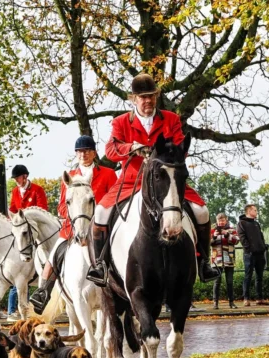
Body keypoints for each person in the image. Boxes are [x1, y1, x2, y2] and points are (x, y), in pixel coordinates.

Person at [92, 73, 218, 287]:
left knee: (202, 211)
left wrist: (163, 155)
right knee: (100, 213)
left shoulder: (170, 119)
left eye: (151, 96)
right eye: (142, 97)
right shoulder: (121, 122)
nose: (147, 101)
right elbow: (111, 150)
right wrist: (130, 148)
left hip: (166, 182)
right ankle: (100, 264)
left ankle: (204, 261)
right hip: (133, 182)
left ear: (156, 97)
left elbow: (180, 147)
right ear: (134, 99)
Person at [28, 135, 117, 313]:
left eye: (86, 151)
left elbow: (113, 200)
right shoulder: (69, 176)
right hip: (73, 227)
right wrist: (74, 216)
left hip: (100, 226)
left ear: (94, 153)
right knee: (54, 254)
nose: (83, 154)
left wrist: (95, 212)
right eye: (79, 151)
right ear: (76, 154)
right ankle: (43, 292)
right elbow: (62, 206)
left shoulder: (108, 174)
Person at [236, 204, 269, 307]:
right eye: (255, 210)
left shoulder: (256, 223)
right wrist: (249, 249)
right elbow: (242, 238)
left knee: (259, 277)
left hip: (260, 253)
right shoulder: (241, 223)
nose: (256, 212)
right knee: (248, 276)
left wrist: (263, 246)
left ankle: (259, 298)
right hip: (250, 254)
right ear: (249, 211)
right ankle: (246, 298)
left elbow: (261, 236)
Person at [210, 213, 238, 309]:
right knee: (217, 282)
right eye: (219, 221)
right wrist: (213, 236)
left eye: (223, 220)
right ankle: (215, 303)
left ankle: (231, 303)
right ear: (217, 221)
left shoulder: (232, 230)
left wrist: (227, 234)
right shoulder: (212, 230)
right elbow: (207, 243)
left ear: (226, 220)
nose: (221, 222)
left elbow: (237, 241)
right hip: (216, 260)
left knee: (229, 282)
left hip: (229, 259)